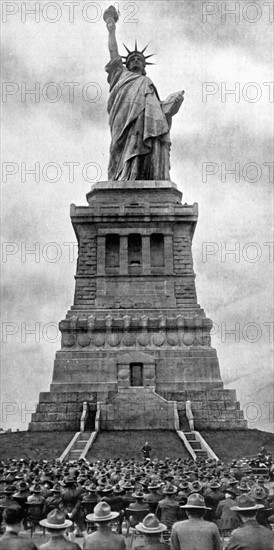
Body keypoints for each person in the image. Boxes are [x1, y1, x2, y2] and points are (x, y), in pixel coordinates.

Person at [104, 5, 184, 181]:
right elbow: (113, 52)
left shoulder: (147, 83)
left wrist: (172, 105)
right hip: (122, 116)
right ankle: (121, 177)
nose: (135, 60)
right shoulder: (121, 74)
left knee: (144, 143)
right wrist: (111, 28)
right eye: (131, 59)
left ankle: (138, 175)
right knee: (119, 146)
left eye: (139, 59)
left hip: (143, 122)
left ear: (144, 66)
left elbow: (158, 114)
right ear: (126, 64)